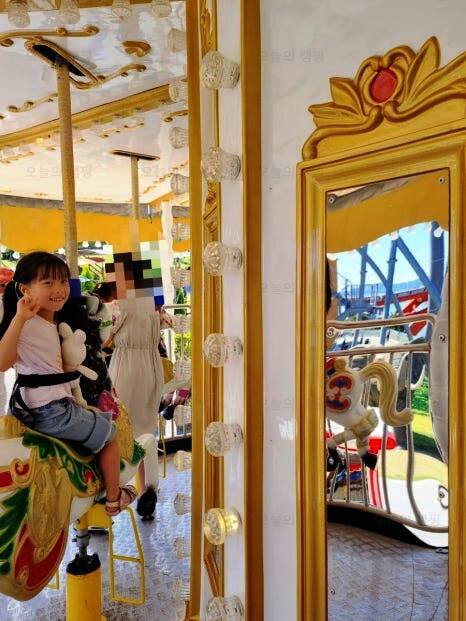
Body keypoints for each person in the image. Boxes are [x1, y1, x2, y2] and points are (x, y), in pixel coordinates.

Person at [0, 251, 136, 515]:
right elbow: (3, 363)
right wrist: (19, 319)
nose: (59, 289)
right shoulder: (26, 323)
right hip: (50, 409)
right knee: (110, 433)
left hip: (36, 405)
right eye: (48, 283)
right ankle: (113, 498)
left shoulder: (50, 322)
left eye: (63, 281)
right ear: (25, 289)